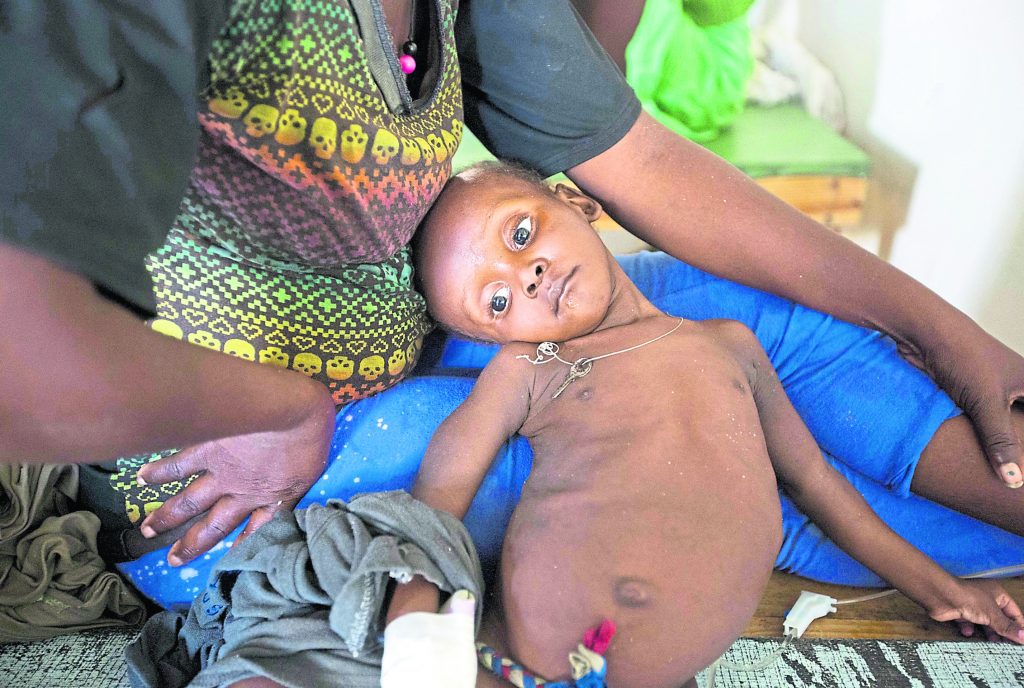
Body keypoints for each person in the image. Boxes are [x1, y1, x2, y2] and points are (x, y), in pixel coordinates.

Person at [2, 0, 1022, 577]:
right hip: (235, 484)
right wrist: (280, 405)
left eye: (532, 228)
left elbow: (640, 163)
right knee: (673, 427)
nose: (530, 259)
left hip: (415, 352)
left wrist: (948, 334)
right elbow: (21, 356)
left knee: (741, 319)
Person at [383, 162, 1024, 687]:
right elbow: (443, 485)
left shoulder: (730, 344)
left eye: (521, 236)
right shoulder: (536, 367)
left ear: (576, 202)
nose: (527, 277)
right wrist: (409, 620)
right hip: (511, 663)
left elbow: (818, 484)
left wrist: (935, 587)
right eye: (497, 302)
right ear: (494, 338)